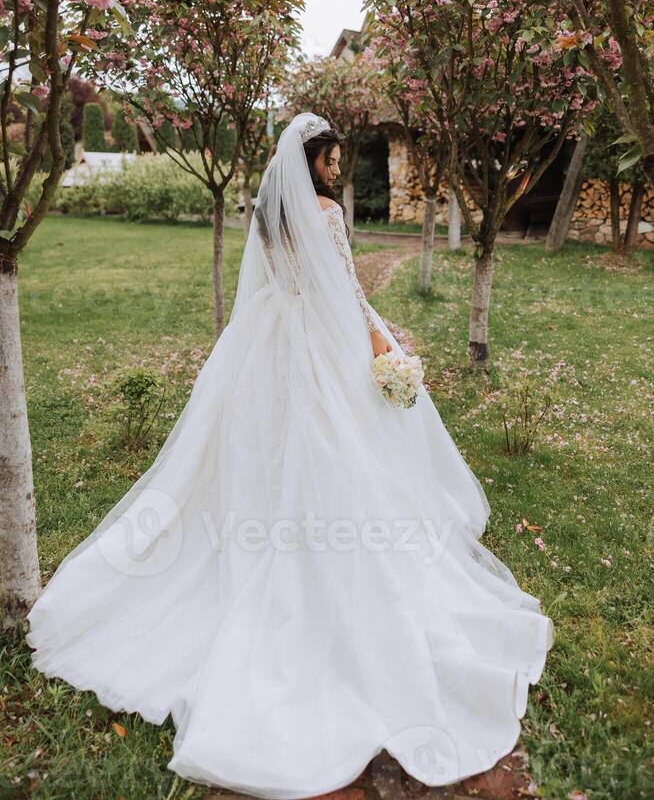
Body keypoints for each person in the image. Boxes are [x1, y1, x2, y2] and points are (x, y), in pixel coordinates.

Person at [26, 112, 555, 799]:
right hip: (319, 343)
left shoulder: (268, 217)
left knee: (257, 453)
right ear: (312, 163)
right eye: (331, 162)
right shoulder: (326, 213)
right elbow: (345, 289)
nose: (336, 172)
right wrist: (382, 336)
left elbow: (281, 286)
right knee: (337, 451)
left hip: (264, 342)